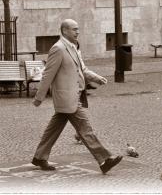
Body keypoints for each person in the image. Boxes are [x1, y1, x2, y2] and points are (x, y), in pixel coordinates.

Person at [32, 19, 123, 174]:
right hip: (67, 98)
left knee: (54, 128)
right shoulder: (58, 49)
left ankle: (40, 157)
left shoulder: (73, 47)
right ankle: (104, 160)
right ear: (65, 31)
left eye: (78, 29)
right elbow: (48, 74)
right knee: (85, 128)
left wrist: (96, 77)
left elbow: (83, 69)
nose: (77, 32)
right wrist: (39, 97)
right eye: (74, 29)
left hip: (75, 95)